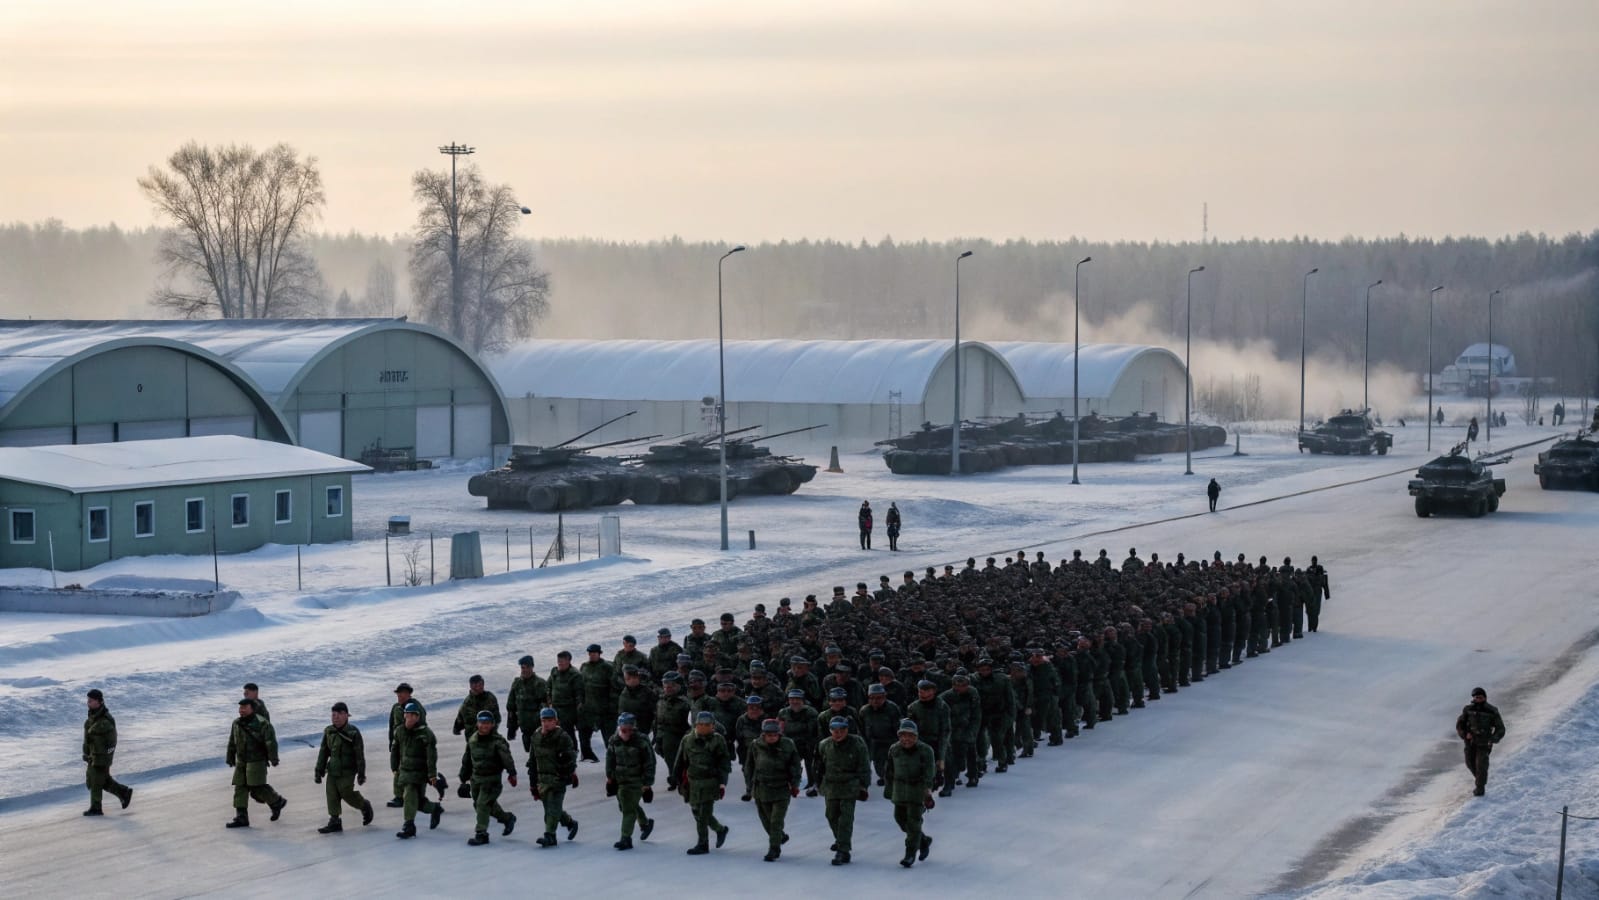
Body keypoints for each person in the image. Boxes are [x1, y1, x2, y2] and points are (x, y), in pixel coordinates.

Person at [744, 718, 802, 861]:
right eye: (769, 735)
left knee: (776, 821)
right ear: (763, 734)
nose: (772, 737)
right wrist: (749, 786)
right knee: (766, 820)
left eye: (775, 735)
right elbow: (749, 766)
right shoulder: (756, 745)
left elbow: (795, 765)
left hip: (781, 788)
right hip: (761, 788)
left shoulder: (788, 745)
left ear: (779, 734)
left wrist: (795, 784)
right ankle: (780, 836)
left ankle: (774, 848)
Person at [816, 714, 871, 865]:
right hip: (831, 785)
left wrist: (863, 786)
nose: (838, 733)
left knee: (846, 818)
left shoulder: (857, 743)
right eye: (835, 730)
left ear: (847, 730)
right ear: (830, 730)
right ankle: (841, 839)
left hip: (850, 785)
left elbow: (864, 766)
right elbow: (819, 766)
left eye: (842, 730)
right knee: (831, 815)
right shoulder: (824, 745)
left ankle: (843, 850)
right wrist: (818, 783)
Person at [676, 711, 732, 855]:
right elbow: (681, 761)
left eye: (707, 725)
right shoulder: (687, 740)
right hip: (693, 782)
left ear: (713, 726)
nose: (704, 727)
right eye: (701, 724)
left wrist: (722, 783)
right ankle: (720, 829)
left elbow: (724, 763)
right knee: (696, 811)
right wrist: (677, 778)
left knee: (703, 814)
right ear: (696, 725)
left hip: (710, 782)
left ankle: (702, 843)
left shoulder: (718, 740)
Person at [225, 697, 285, 828]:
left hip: (256, 760)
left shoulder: (262, 723)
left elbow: (270, 742)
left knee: (257, 786)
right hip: (241, 761)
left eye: (244, 708)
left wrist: (273, 758)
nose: (241, 710)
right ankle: (241, 817)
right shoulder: (236, 723)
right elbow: (232, 741)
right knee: (240, 786)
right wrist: (230, 756)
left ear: (252, 709)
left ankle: (276, 801)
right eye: (240, 708)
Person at [460, 710, 518, 845]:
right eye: (481, 723)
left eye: (487, 723)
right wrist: (463, 778)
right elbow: (467, 760)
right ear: (477, 724)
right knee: (480, 805)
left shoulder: (498, 741)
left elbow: (507, 758)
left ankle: (481, 833)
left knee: (482, 804)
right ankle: (507, 818)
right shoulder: (473, 739)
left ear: (492, 724)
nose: (484, 726)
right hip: (476, 779)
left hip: (492, 780)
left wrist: (512, 773)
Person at [314, 701, 373, 834]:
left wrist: (361, 773)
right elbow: (323, 752)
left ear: (346, 715)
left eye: (339, 714)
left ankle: (364, 805)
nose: (336, 717)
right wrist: (319, 770)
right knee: (331, 794)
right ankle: (334, 821)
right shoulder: (329, 731)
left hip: (348, 770)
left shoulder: (353, 732)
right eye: (333, 714)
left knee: (346, 792)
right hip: (333, 769)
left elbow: (359, 755)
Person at [884, 719, 936, 868]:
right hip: (899, 790)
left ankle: (910, 854)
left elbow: (929, 773)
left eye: (910, 736)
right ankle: (923, 840)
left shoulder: (926, 750)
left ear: (916, 736)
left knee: (913, 823)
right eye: (903, 735)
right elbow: (889, 770)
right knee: (900, 818)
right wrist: (889, 790)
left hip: (917, 790)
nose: (906, 739)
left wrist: (927, 791)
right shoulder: (894, 749)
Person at [527, 707, 580, 847]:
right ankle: (569, 822)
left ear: (556, 721)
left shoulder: (562, 737)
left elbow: (571, 757)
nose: (546, 723)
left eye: (550, 720)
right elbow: (532, 761)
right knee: (552, 808)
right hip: (543, 780)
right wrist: (533, 783)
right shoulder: (536, 736)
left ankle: (550, 835)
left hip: (558, 779)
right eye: (544, 720)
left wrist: (567, 770)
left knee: (552, 809)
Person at [391, 700, 444, 838]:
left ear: (418, 717)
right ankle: (433, 809)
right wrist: (394, 767)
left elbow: (431, 756)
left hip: (420, 772)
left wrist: (432, 774)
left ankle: (409, 825)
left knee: (410, 797)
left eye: (413, 715)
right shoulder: (400, 731)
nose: (410, 718)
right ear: (404, 715)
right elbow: (395, 749)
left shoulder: (426, 733)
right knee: (415, 800)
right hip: (405, 771)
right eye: (408, 715)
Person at [605, 712, 657, 850]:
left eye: (629, 728)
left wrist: (647, 783)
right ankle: (645, 823)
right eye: (623, 728)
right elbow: (610, 759)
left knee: (628, 809)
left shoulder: (641, 741)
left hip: (636, 781)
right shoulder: (614, 740)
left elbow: (650, 762)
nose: (626, 731)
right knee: (626, 805)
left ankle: (626, 838)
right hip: (620, 780)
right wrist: (610, 778)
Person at [81, 688, 132, 816]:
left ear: (99, 701)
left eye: (91, 700)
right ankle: (123, 792)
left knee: (96, 780)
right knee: (100, 780)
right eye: (88, 700)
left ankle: (96, 808)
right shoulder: (92, 718)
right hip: (93, 755)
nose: (88, 702)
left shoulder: (106, 719)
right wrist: (86, 753)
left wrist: (106, 756)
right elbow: (88, 739)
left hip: (101, 757)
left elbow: (112, 740)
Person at [1455, 687, 1506, 796]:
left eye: (1480, 697)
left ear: (1485, 697)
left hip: (1484, 743)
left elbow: (1501, 729)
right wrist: (1465, 734)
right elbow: (1460, 725)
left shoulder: (1492, 711)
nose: (1478, 699)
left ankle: (1480, 788)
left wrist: (1492, 739)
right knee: (1470, 763)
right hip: (1470, 743)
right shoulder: (1468, 710)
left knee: (1481, 766)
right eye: (1476, 697)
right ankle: (1480, 780)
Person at [386, 683, 425, 808]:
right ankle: (399, 797)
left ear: (408, 694)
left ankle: (415, 796)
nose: (399, 696)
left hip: (412, 744)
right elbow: (391, 725)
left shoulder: (416, 706)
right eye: (398, 693)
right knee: (398, 769)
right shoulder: (396, 707)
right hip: (398, 744)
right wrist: (391, 742)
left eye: (401, 693)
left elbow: (422, 724)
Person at [506, 655, 547, 754]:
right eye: (522, 668)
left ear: (532, 667)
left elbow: (547, 705)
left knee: (540, 752)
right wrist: (511, 726)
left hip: (538, 727)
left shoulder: (540, 683)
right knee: (528, 750)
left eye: (526, 667)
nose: (524, 670)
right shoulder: (517, 683)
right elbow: (511, 706)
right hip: (524, 726)